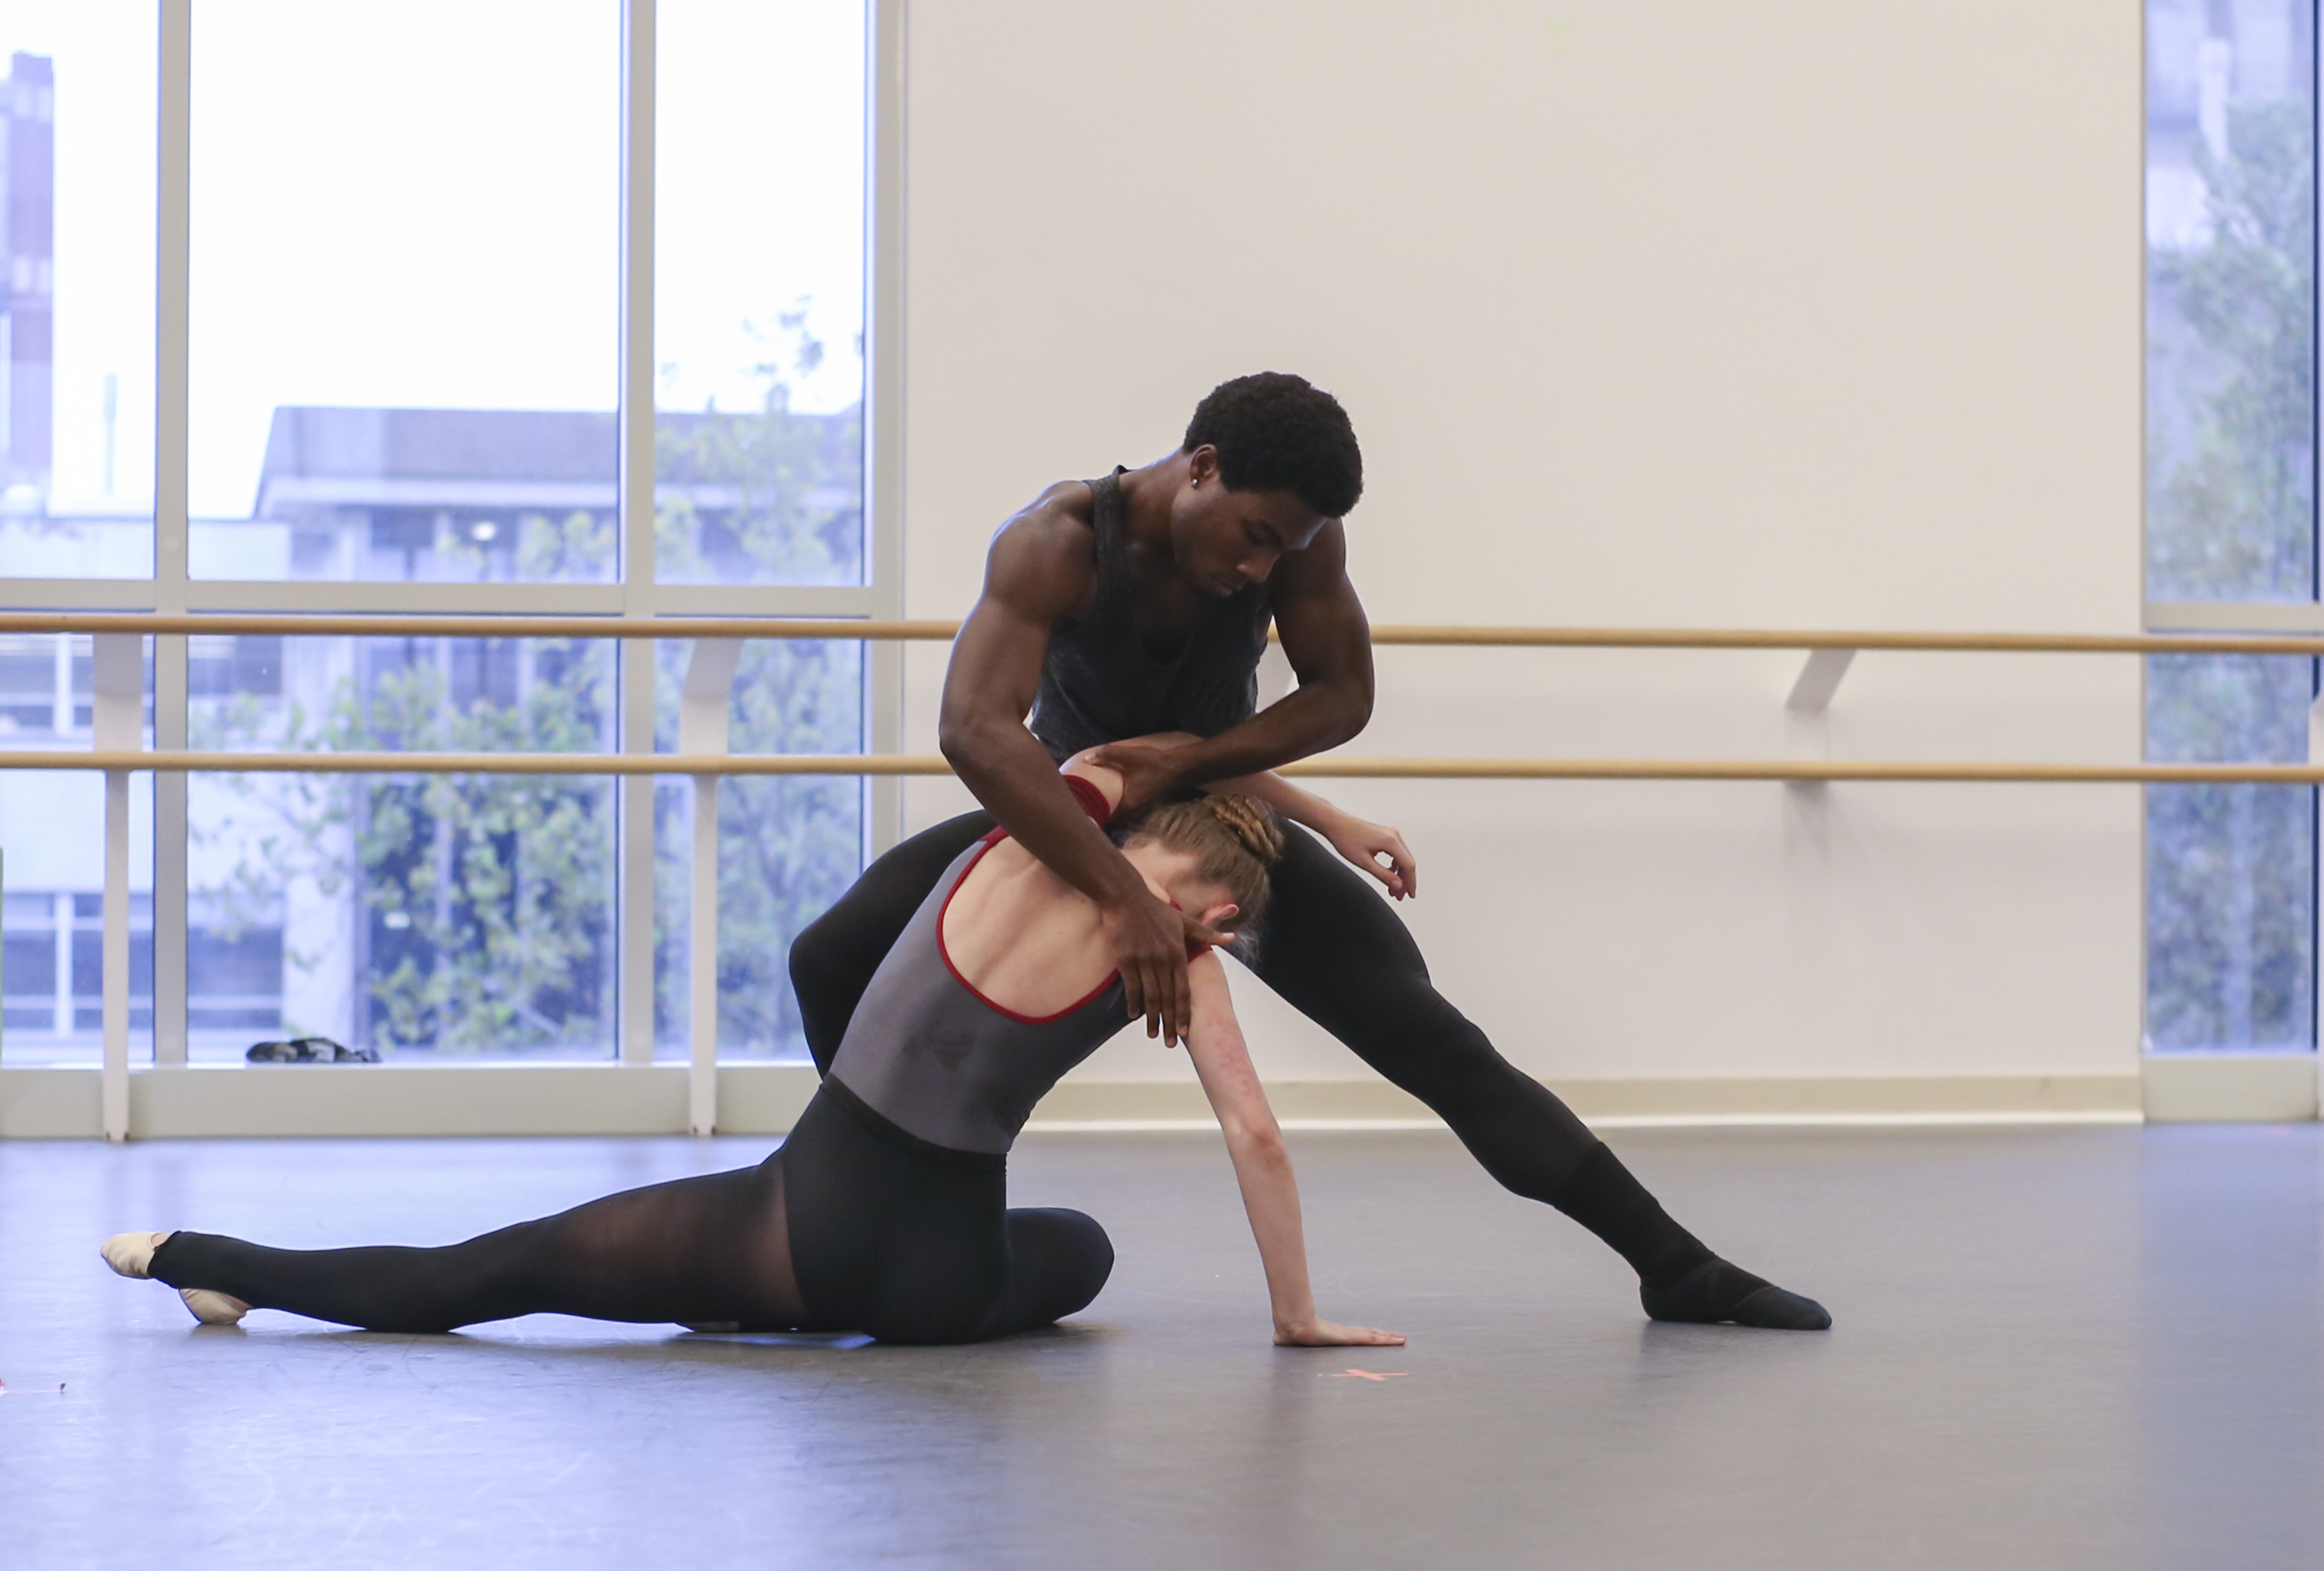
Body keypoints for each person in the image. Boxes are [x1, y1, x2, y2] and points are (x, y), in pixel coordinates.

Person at [789, 372, 1829, 1331]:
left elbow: (1344, 693)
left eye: (1283, 549)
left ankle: (1675, 1266)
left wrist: (1191, 764)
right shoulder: (1056, 542)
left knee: (1435, 1041)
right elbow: (974, 729)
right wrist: (1120, 894)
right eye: (1253, 537)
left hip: (1220, 836)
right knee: (830, 955)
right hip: (1071, 822)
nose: (1259, 569)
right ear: (1201, 468)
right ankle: (882, 1212)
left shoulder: (1302, 545)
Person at [102, 763, 1402, 1351]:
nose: (1220, 934)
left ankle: (195, 1258)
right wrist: (1294, 1316)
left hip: (790, 1228)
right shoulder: (1188, 967)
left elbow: (1169, 744)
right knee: (1083, 1245)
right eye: (1226, 915)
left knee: (493, 1270)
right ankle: (791, 1311)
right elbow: (1256, 1133)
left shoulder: (1029, 831)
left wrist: (1289, 802)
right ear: (1212, 901)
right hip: (937, 1286)